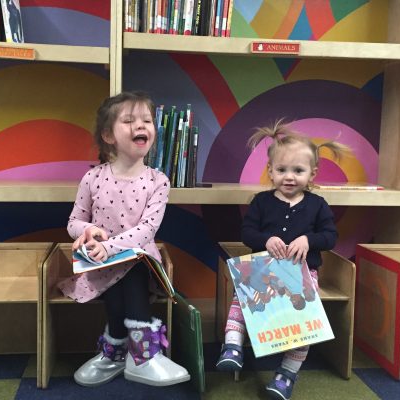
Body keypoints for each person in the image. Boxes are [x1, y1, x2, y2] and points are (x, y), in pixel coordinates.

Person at [59, 91, 190, 387]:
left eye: (147, 120)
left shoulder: (158, 181)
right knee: (118, 271)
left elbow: (147, 230)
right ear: (108, 135)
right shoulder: (92, 178)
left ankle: (135, 353)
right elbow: (74, 222)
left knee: (131, 267)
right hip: (98, 266)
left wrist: (109, 247)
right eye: (129, 120)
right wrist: (88, 232)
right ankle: (119, 351)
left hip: (141, 265)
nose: (141, 126)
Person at [216, 119, 346, 400]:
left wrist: (308, 240)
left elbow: (330, 236)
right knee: (241, 297)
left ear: (312, 173)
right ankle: (233, 345)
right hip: (263, 270)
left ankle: (287, 374)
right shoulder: (261, 202)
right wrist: (265, 240)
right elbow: (247, 232)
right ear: (270, 171)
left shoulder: (317, 205)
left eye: (298, 171)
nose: (289, 177)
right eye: (282, 170)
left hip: (302, 274)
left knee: (305, 326)